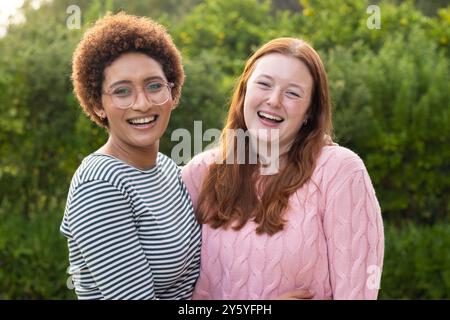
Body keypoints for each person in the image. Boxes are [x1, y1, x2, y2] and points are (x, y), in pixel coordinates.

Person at [182, 38, 384, 300]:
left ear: (309, 111)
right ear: (244, 92)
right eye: (264, 84)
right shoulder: (201, 172)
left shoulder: (339, 171)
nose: (274, 100)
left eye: (293, 93)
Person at [60, 13, 201, 300]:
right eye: (122, 91)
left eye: (154, 86)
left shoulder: (167, 169)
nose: (142, 103)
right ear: (99, 104)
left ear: (172, 94)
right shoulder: (99, 185)